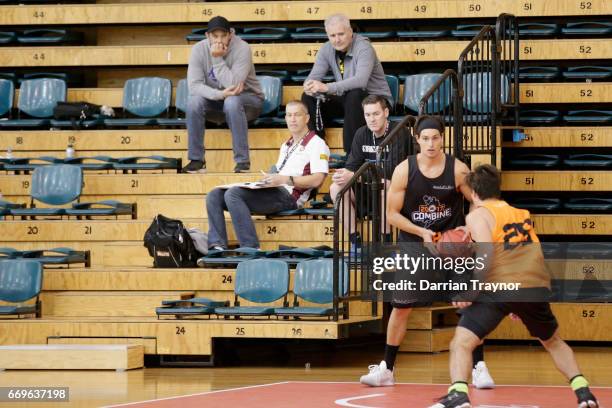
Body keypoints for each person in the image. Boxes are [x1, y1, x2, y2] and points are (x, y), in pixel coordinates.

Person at [430, 164, 599, 408]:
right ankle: (583, 392)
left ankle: (458, 394)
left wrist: (471, 292)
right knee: (553, 341)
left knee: (461, 342)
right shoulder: (521, 214)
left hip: (501, 285)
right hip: (533, 285)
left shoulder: (477, 214)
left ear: (474, 194)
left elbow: (486, 260)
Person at [360, 115, 495, 389]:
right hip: (415, 242)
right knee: (401, 306)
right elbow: (391, 215)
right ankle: (387, 368)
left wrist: (470, 226)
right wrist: (422, 232)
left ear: (443, 138)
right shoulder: (403, 170)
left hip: (454, 246)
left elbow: (479, 202)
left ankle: (479, 367)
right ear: (417, 140)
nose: (431, 143)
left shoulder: (458, 170)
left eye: (436, 137)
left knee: (468, 304)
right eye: (425, 138)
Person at [206, 100, 330, 250]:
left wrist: (285, 179)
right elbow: (279, 172)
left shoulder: (317, 144)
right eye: (289, 115)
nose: (292, 119)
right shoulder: (286, 145)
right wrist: (267, 180)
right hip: (275, 191)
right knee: (214, 195)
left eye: (297, 115)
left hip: (290, 197)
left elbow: (317, 180)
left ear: (307, 118)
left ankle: (250, 247)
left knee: (233, 194)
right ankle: (217, 245)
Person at [183, 16, 264, 174]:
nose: (219, 40)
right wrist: (219, 94)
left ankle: (242, 162)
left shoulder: (242, 48)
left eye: (223, 35)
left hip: (249, 101)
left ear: (230, 35)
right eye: (215, 36)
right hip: (217, 100)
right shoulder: (198, 50)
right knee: (193, 103)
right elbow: (194, 86)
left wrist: (217, 58)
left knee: (232, 101)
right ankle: (196, 160)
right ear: (207, 36)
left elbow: (233, 84)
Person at [301, 13, 392, 154]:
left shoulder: (364, 47)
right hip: (348, 99)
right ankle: (317, 150)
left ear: (350, 32)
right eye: (332, 36)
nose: (337, 40)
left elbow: (360, 81)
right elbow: (313, 76)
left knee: (355, 94)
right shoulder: (326, 49)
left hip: (375, 99)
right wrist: (309, 86)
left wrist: (327, 87)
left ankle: (351, 155)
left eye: (341, 34)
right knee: (308, 98)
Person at [330, 94, 411, 248]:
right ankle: (355, 241)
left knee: (385, 185)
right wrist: (343, 176)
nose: (372, 119)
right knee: (336, 188)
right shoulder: (361, 133)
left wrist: (354, 176)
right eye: (368, 115)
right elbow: (351, 166)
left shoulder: (399, 132)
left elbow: (391, 171)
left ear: (386, 113)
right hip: (367, 187)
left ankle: (386, 242)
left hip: (396, 190)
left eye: (376, 114)